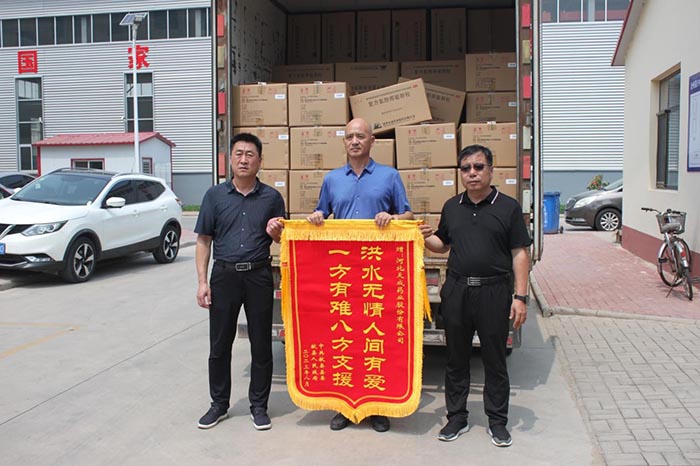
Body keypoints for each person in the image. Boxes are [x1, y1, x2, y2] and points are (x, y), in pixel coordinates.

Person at [307, 117, 414, 432]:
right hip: (341, 276)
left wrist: (393, 218)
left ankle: (377, 407)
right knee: (343, 341)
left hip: (377, 275)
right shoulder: (332, 179)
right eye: (349, 136)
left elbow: (408, 214)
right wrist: (317, 217)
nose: (355, 141)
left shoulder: (389, 176)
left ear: (372, 141)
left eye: (361, 136)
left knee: (376, 341)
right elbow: (322, 211)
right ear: (344, 142)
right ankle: (344, 407)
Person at [419, 144, 530, 447]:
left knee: (494, 359)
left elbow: (520, 253)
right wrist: (423, 237)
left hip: (494, 291)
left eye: (479, 167)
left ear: (491, 170)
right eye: (466, 168)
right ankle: (456, 417)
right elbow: (443, 244)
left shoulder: (508, 208)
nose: (472, 173)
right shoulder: (452, 206)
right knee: (456, 359)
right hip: (457, 290)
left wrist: (520, 297)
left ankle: (497, 421)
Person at [194, 132, 285, 431]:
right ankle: (218, 404)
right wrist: (202, 282)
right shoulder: (214, 196)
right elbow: (204, 240)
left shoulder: (272, 198)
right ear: (230, 159)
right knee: (220, 344)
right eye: (239, 154)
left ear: (260, 161)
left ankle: (259, 406)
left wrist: (276, 233)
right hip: (224, 276)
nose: (244, 159)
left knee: (261, 343)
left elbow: (282, 239)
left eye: (250, 154)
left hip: (259, 275)